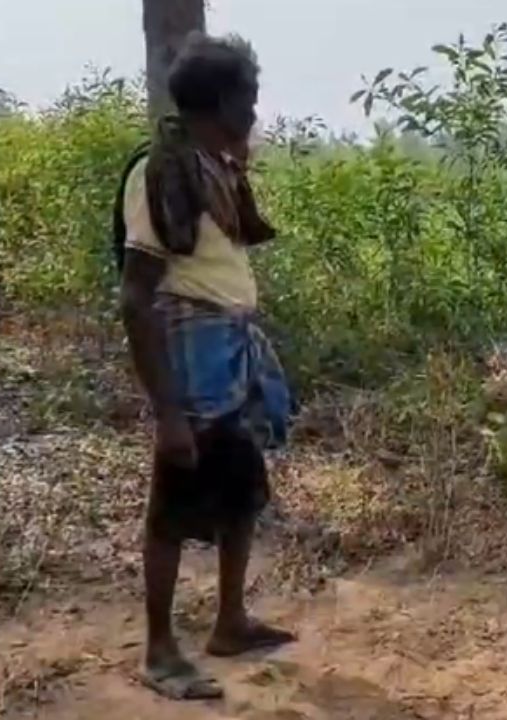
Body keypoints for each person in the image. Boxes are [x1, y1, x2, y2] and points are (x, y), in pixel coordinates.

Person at [116, 33, 294, 701]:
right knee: (174, 503)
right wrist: (168, 413)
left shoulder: (210, 166)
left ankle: (229, 622)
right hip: (194, 355)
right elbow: (136, 299)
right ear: (223, 102)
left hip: (229, 349)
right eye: (248, 98)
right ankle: (160, 651)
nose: (254, 111)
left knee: (242, 491)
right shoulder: (161, 175)